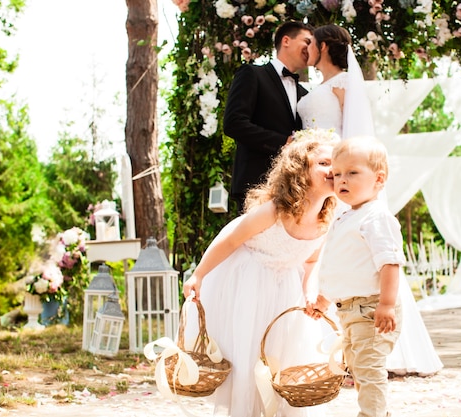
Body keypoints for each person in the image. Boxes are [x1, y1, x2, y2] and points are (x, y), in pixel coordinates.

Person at [299, 24, 443, 377]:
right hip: (315, 174)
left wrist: (345, 175)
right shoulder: (311, 88)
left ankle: (373, 337)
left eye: (312, 44)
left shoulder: (345, 83)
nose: (307, 51)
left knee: (355, 250)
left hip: (337, 172)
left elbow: (354, 131)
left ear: (325, 46)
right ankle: (331, 346)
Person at [182, 129, 340, 417]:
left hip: (284, 287)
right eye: (323, 163)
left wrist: (308, 292)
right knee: (249, 352)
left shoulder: (325, 221)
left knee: (280, 355)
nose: (332, 170)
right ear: (300, 171)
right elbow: (230, 237)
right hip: (248, 280)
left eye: (335, 164)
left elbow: (311, 261)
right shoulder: (276, 210)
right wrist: (199, 274)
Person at [306, 136, 405, 417]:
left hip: (371, 309)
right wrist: (324, 299)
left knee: (369, 369)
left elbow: (390, 263)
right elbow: (342, 266)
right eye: (337, 174)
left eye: (352, 172)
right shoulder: (345, 216)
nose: (341, 180)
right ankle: (377, 412)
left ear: (379, 179)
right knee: (359, 368)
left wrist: (386, 304)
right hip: (350, 311)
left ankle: (371, 414)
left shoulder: (376, 217)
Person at [224, 21, 314, 210]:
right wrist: (284, 142)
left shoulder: (305, 95)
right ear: (286, 40)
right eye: (306, 41)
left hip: (293, 189)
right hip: (255, 183)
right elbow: (234, 123)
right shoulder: (252, 74)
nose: (310, 48)